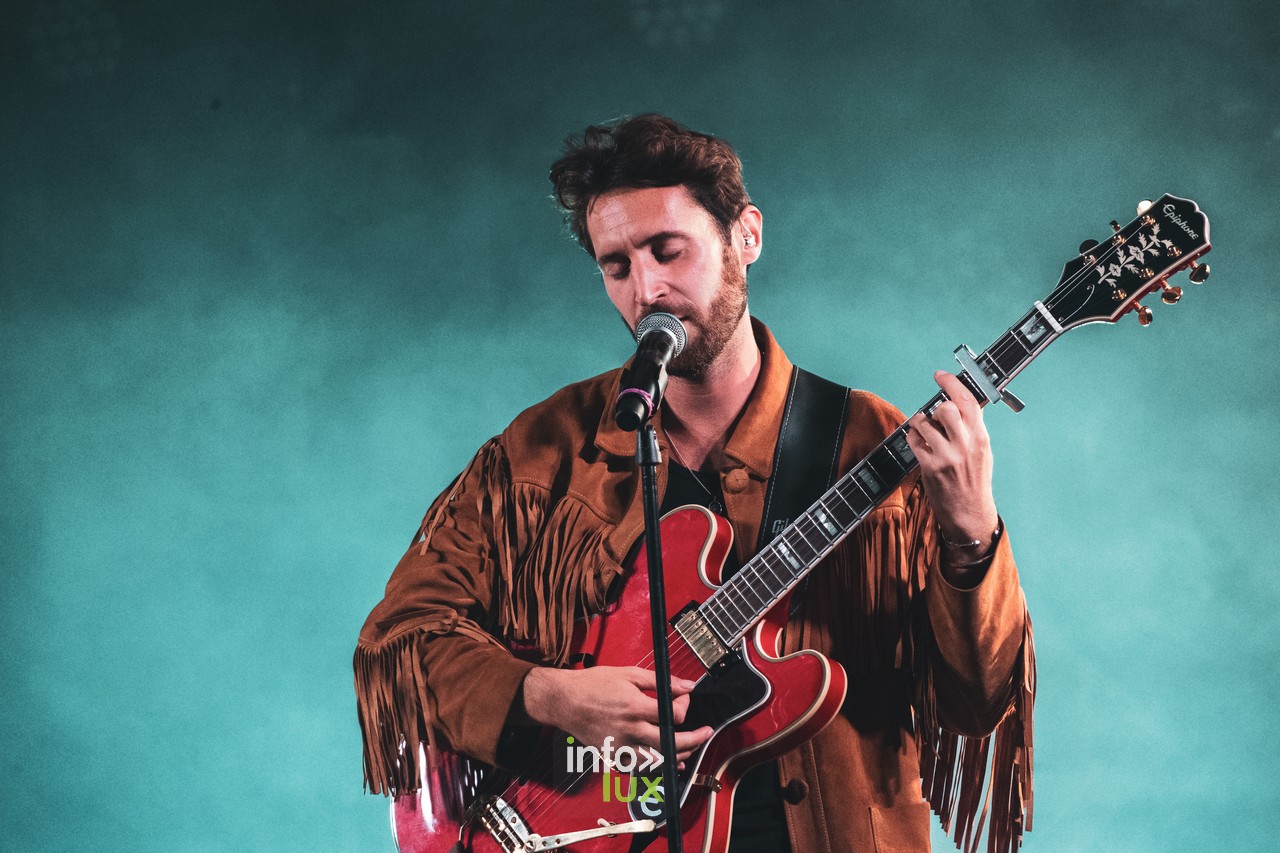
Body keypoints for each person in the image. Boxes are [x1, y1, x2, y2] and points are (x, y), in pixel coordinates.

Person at [354, 114, 1034, 853]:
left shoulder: (867, 439)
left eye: (667, 250)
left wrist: (972, 533)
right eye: (617, 266)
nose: (647, 288)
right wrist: (549, 696)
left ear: (746, 236)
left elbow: (976, 703)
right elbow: (400, 643)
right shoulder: (543, 453)